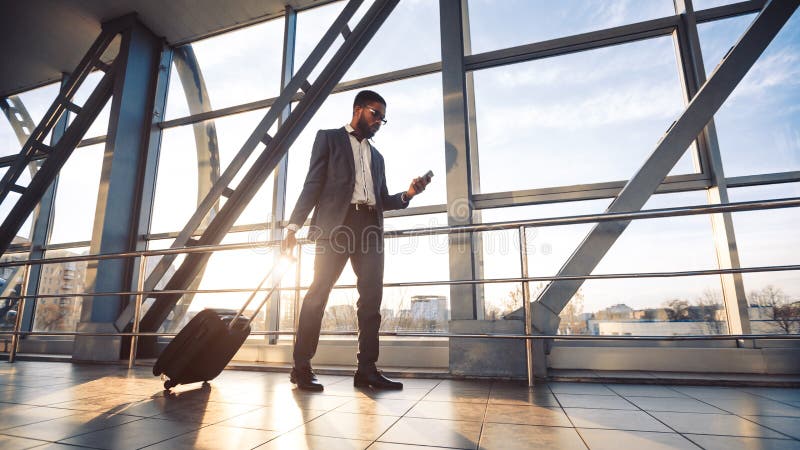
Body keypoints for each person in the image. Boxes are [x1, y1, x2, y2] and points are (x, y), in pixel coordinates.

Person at [282, 90, 430, 391]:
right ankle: (301, 366)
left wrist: (409, 194)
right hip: (336, 225)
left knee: (372, 300)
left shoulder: (378, 157)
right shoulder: (328, 138)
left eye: (382, 118)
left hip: (370, 227)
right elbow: (313, 183)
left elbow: (382, 199)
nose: (379, 121)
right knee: (317, 295)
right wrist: (292, 226)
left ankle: (367, 370)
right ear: (358, 109)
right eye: (375, 114)